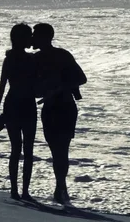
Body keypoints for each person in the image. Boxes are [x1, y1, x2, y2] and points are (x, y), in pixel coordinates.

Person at [32, 23, 87, 205]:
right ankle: (61, 188)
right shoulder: (44, 57)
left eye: (35, 35)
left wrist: (57, 88)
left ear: (45, 37)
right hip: (54, 107)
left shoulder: (55, 56)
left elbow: (81, 78)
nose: (33, 38)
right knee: (58, 150)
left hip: (62, 107)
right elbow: (35, 90)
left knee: (60, 150)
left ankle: (61, 188)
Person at [0, 23, 37, 201]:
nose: (31, 39)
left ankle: (14, 190)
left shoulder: (9, 59)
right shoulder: (31, 59)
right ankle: (24, 191)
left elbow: (2, 87)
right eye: (29, 36)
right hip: (27, 105)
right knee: (27, 150)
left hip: (11, 104)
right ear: (21, 38)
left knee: (16, 149)